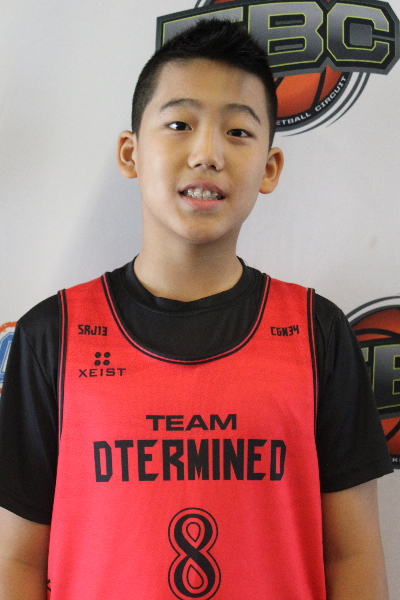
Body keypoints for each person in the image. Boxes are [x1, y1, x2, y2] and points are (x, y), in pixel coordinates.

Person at [0, 18, 393, 600]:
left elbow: (353, 556)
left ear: (269, 168)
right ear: (131, 153)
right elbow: (16, 563)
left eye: (238, 131)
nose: (207, 153)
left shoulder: (317, 333)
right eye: (180, 124)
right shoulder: (52, 336)